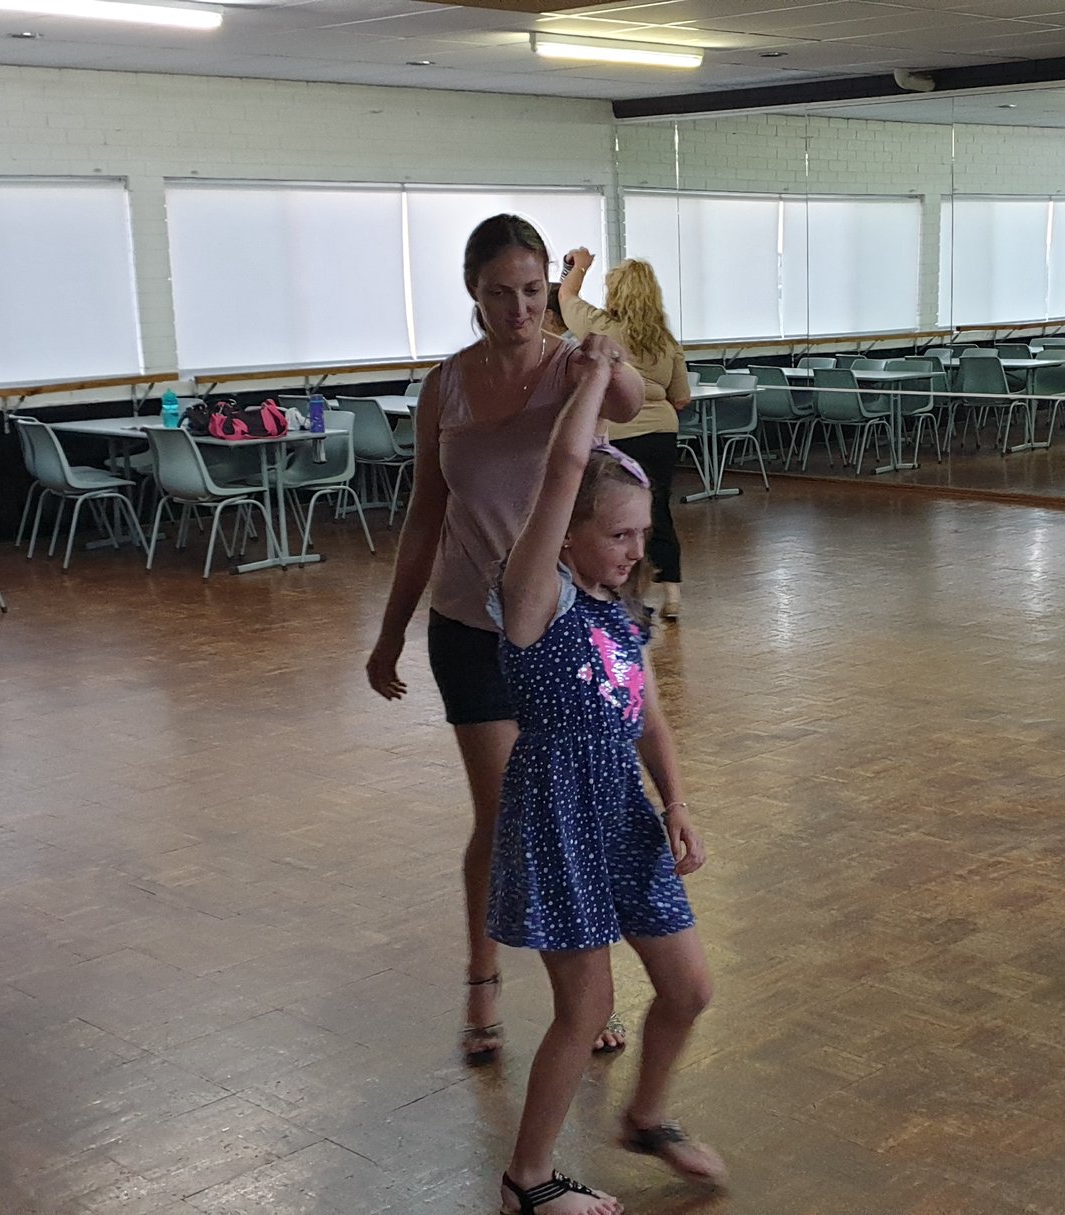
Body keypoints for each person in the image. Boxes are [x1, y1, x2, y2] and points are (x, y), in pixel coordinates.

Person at [364, 214, 648, 1065]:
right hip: (470, 625)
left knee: (580, 806)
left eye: (532, 291)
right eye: (500, 293)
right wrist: (389, 633)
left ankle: (587, 989)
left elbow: (636, 400)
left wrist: (597, 347)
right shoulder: (444, 385)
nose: (519, 308)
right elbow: (424, 513)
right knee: (503, 812)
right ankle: (482, 976)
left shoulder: (573, 364)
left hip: (565, 629)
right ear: (473, 293)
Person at [487, 340, 720, 1215]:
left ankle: (646, 1115)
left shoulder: (619, 611)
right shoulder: (533, 598)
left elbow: (649, 713)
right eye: (617, 534)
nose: (634, 549)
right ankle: (528, 1180)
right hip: (555, 813)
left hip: (619, 809)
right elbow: (560, 473)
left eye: (642, 534)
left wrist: (677, 802)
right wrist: (590, 382)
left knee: (690, 986)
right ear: (569, 534)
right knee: (584, 1010)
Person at [558, 248, 691, 622]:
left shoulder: (601, 327)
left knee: (617, 520)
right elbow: (681, 396)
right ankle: (673, 594)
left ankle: (627, 594)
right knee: (658, 510)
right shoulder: (666, 341)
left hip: (620, 435)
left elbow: (565, 297)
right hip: (662, 433)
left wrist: (580, 265)